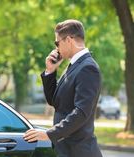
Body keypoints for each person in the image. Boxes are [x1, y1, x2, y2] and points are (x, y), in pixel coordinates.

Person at [23, 19, 102, 157]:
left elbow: (81, 112)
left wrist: (49, 134)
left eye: (57, 42)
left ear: (69, 40)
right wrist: (50, 71)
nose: (56, 48)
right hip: (67, 150)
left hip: (80, 152)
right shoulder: (74, 65)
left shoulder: (87, 68)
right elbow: (54, 102)